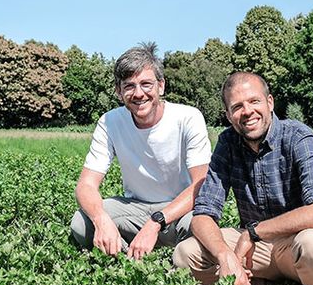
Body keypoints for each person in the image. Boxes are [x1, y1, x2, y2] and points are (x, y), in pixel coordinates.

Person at [173, 72, 313, 285]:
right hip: (257, 250)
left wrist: (253, 233)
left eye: (254, 101)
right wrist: (226, 257)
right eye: (237, 106)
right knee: (185, 254)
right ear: (228, 115)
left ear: (270, 102)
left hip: (297, 243)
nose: (247, 111)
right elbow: (202, 215)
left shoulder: (298, 137)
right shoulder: (228, 143)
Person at [70, 44, 211, 260]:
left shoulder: (188, 118)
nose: (138, 94)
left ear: (161, 86)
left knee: (200, 225)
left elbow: (201, 184)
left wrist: (157, 221)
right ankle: (131, 254)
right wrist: (101, 219)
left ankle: (155, 253)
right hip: (134, 208)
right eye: (129, 86)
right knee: (81, 224)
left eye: (146, 84)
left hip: (178, 210)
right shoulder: (109, 122)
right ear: (119, 91)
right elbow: (86, 185)